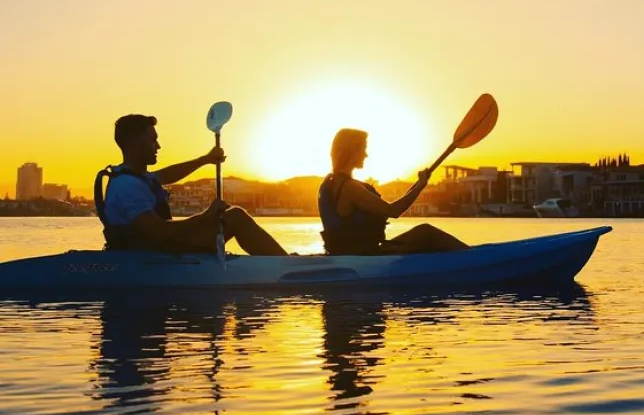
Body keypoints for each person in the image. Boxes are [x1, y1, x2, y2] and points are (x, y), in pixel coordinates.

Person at [94, 114, 287, 255]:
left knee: (233, 215)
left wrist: (206, 159)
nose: (158, 146)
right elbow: (159, 232)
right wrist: (207, 216)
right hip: (157, 252)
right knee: (235, 217)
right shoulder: (128, 187)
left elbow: (169, 174)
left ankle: (280, 261)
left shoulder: (139, 177)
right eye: (153, 140)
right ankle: (283, 265)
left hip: (163, 246)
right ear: (134, 143)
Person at [317, 128, 469, 255]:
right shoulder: (350, 188)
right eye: (363, 149)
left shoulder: (330, 184)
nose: (366, 155)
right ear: (352, 151)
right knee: (426, 232)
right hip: (367, 257)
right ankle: (472, 258)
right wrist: (421, 185)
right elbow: (393, 210)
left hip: (349, 254)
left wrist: (417, 186)